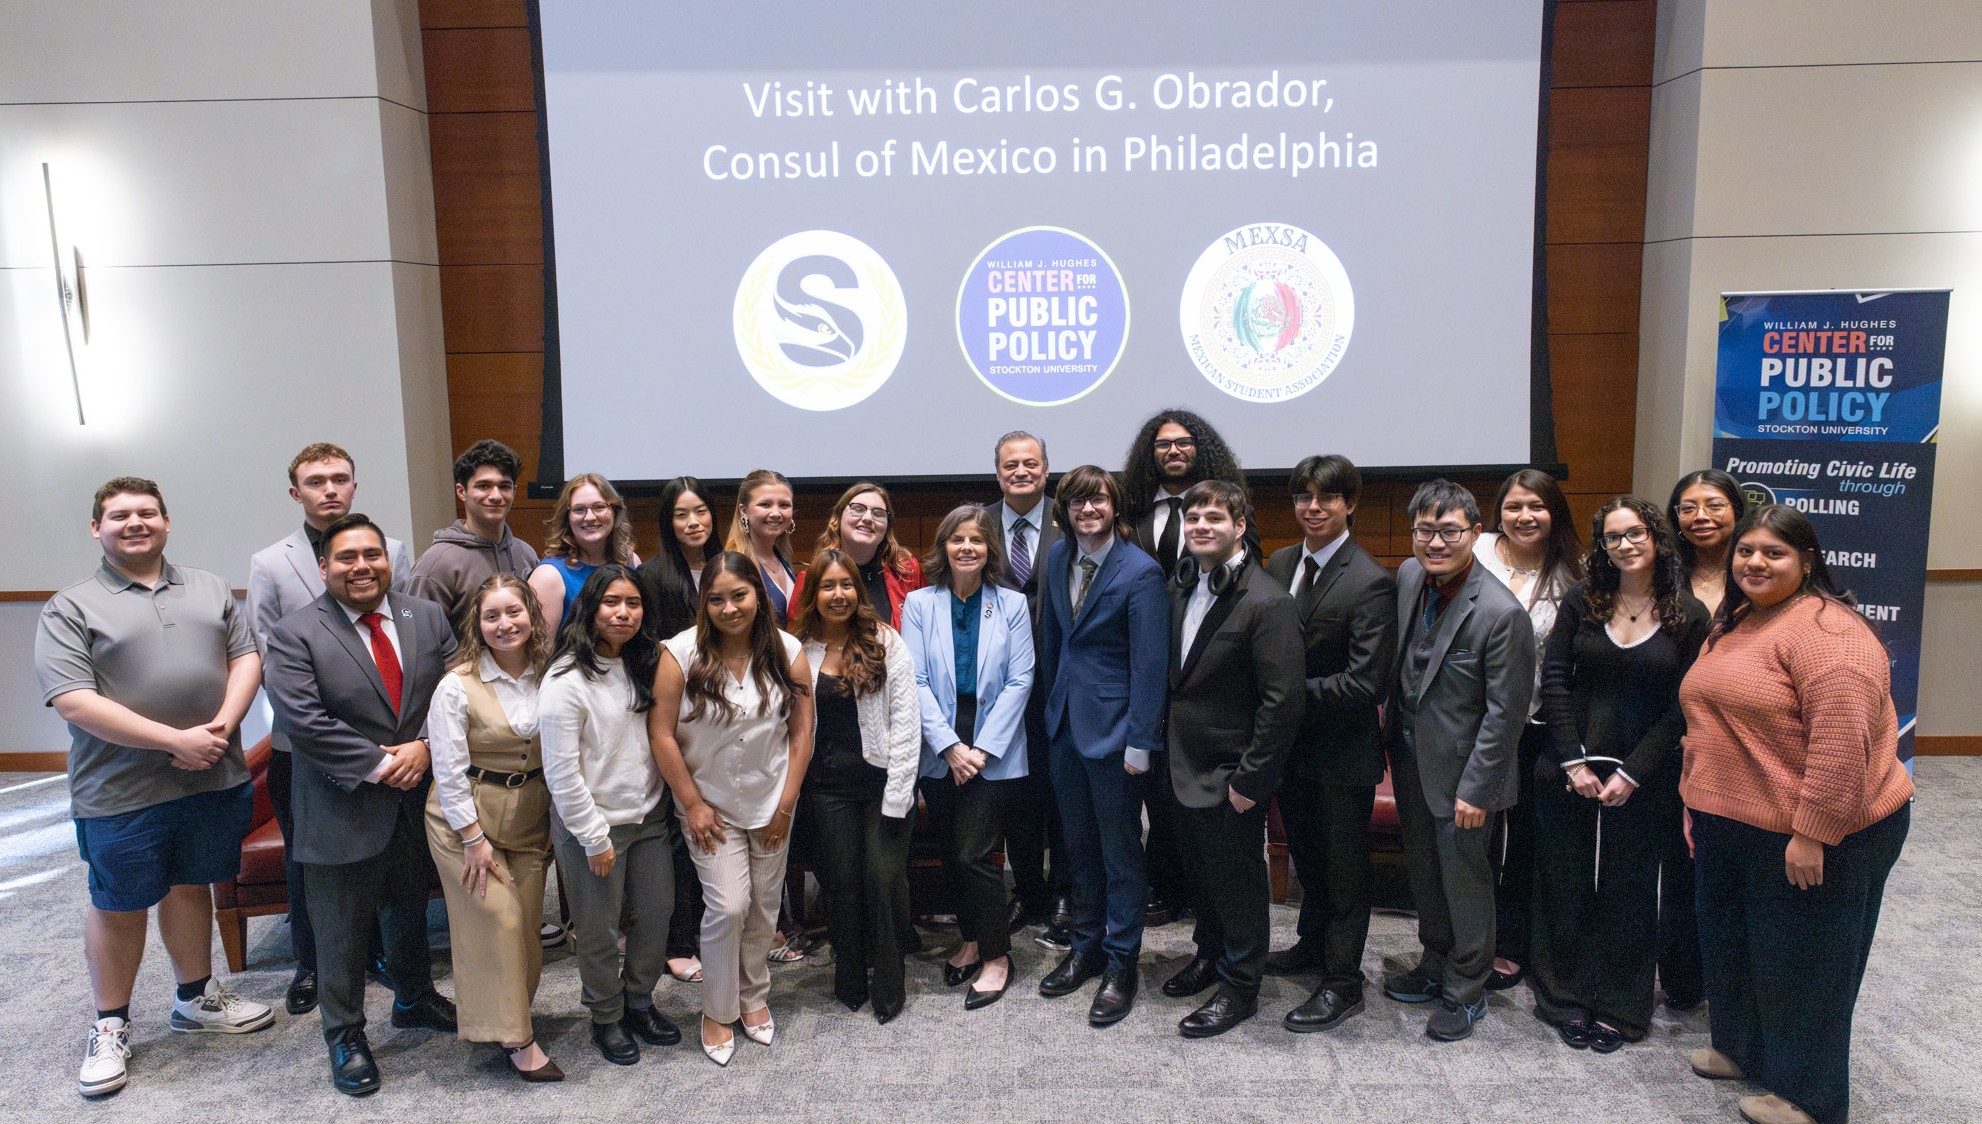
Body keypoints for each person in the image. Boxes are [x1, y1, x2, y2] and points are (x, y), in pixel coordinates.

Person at [37, 477, 275, 1099]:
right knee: (119, 901)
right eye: (119, 515)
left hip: (212, 774)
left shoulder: (208, 587)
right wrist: (175, 742)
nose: (134, 523)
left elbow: (245, 656)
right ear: (98, 528)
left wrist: (223, 725)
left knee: (190, 882)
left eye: (147, 513)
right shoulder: (71, 606)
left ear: (167, 522)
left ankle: (195, 996)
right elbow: (73, 700)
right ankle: (110, 1024)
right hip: (121, 789)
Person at [1679, 505, 1912, 1124]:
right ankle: (1745, 1050)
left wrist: (1813, 835)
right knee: (1735, 943)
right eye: (1746, 551)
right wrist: (1698, 802)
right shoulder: (1740, 619)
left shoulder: (1830, 637)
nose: (1755, 562)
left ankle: (1809, 1098)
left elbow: (1841, 749)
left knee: (1806, 962)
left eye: (1773, 553)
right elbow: (1710, 721)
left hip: (1818, 828)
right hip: (1733, 817)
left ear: (1807, 562)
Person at [262, 513, 460, 1096]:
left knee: (408, 904)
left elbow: (453, 690)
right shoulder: (296, 631)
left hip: (417, 797)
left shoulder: (425, 616)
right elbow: (303, 720)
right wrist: (382, 765)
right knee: (341, 929)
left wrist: (424, 748)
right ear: (324, 567)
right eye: (346, 557)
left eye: (372, 554)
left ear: (388, 560)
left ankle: (416, 998)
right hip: (340, 801)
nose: (361, 566)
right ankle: (345, 1035)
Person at [1530, 498, 1708, 1053]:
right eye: (1612, 537)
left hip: (1647, 770)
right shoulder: (1583, 601)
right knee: (1566, 880)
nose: (1624, 545)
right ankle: (1565, 996)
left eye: (1635, 534)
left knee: (1630, 889)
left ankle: (1619, 1005)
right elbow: (1554, 678)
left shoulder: (1688, 613)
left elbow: (1684, 702)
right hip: (1570, 763)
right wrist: (1572, 760)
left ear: (1657, 538)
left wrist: (1635, 771)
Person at [245, 442, 416, 1016]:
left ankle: (387, 962)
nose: (329, 489)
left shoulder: (390, 549)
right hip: (311, 744)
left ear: (355, 485)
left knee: (395, 858)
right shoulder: (271, 562)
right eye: (316, 481)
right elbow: (270, 654)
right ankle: (312, 965)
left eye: (340, 478)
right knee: (312, 862)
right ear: (297, 492)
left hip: (394, 739)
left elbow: (404, 642)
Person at [1382, 479, 1535, 1042]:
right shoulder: (1406, 577)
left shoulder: (1501, 613)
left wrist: (1478, 789)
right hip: (1411, 760)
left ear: (1475, 532)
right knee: (1425, 874)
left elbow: (1505, 714)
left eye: (1449, 531)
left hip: (1467, 778)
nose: (1436, 542)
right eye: (1426, 530)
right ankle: (1433, 962)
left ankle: (1467, 989)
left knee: (1466, 884)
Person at [648, 552, 814, 1066]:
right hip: (709, 807)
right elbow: (661, 732)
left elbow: (802, 730)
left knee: (764, 908)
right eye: (715, 599)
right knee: (729, 905)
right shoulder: (679, 654)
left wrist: (786, 804)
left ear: (758, 597)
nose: (728, 608)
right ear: (704, 603)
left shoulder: (788, 652)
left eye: (738, 595)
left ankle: (753, 997)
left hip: (771, 802)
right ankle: (718, 1009)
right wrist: (692, 804)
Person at [1158, 480, 1305, 1038]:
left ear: (1239, 526)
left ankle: (1241, 986)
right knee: (1202, 875)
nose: (1201, 525)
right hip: (1181, 763)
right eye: (1193, 517)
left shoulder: (1268, 601)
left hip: (1231, 774)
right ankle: (1209, 953)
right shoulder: (1181, 586)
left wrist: (1254, 779)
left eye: (1214, 517)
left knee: (1240, 884)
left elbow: (1281, 701)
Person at [1260, 455, 1398, 1034]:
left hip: (1342, 754)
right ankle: (1311, 947)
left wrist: (1284, 693)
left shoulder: (1370, 580)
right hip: (1291, 751)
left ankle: (1343, 982)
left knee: (1343, 873)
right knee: (1311, 862)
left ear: (1349, 504)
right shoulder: (1281, 562)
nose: (1312, 508)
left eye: (1326, 498)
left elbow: (1366, 681)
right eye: (1303, 497)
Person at [1032, 465, 1168, 1028]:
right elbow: (1052, 641)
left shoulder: (1141, 572)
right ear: (1064, 509)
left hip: (1117, 735)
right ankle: (1084, 947)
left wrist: (1142, 741)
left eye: (1098, 502)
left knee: (1119, 854)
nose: (1089, 511)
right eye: (1078, 502)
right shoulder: (1058, 557)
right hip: (1065, 725)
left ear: (1115, 508)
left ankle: (1121, 962)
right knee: (1077, 848)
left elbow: (1151, 666)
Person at [1119, 409, 1257, 927]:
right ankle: (1163, 883)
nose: (1172, 452)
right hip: (1142, 667)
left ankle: (1199, 903)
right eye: (1162, 445)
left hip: (1204, 676)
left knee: (1193, 799)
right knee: (1154, 789)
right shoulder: (1131, 512)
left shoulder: (1223, 508)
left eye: (1182, 443)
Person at [539, 565, 682, 1066]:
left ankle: (640, 1002)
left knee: (654, 917)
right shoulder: (564, 678)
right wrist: (593, 836)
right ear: (591, 608)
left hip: (647, 819)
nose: (623, 613)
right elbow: (560, 772)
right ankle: (606, 1016)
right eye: (612, 603)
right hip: (592, 827)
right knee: (598, 931)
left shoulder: (648, 662)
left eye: (634, 603)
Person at [422, 575, 563, 1080]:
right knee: (499, 922)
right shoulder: (456, 685)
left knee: (525, 928)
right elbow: (448, 769)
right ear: (477, 626)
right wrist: (473, 839)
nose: (505, 624)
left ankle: (507, 1019)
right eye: (491, 616)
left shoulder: (552, 674)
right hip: (464, 819)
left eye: (514, 612)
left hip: (529, 814)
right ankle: (520, 1042)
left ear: (532, 615)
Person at [902, 505, 1035, 1011]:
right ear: (943, 546)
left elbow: (1022, 678)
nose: (966, 548)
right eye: (957, 539)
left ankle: (998, 955)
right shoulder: (919, 603)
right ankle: (973, 939)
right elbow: (912, 680)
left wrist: (979, 749)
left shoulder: (1012, 604)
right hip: (940, 746)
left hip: (992, 749)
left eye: (976, 541)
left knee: (973, 854)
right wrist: (950, 746)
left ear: (989, 550)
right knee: (953, 851)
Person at [790, 548, 922, 1022]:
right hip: (824, 790)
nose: (839, 594)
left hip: (883, 784)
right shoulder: (796, 649)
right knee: (841, 884)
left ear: (858, 591)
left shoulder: (885, 642)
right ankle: (849, 978)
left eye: (847, 584)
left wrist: (899, 795)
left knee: (882, 881)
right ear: (814, 594)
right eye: (828, 586)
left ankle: (889, 984)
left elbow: (907, 723)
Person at [1472, 469, 1585, 991]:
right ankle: (1473, 938)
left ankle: (1514, 942)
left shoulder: (1573, 576)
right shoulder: (1475, 553)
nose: (1525, 516)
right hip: (1472, 720)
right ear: (1499, 512)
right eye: (1515, 506)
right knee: (1476, 837)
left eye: (1536, 506)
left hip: (1535, 723)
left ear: (1554, 512)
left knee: (1525, 842)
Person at [1658, 466, 1747, 1012]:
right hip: (1671, 739)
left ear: (1737, 510)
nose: (1701, 517)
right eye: (1688, 507)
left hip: (1739, 746)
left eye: (1713, 505)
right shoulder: (1662, 577)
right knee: (1678, 859)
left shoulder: (1757, 573)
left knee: (1731, 863)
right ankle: (1683, 977)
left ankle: (1734, 979)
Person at [985, 431, 1070, 944]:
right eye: (1011, 464)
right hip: (999, 687)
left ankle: (1063, 890)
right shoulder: (978, 525)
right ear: (998, 472)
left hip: (1062, 679)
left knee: (1061, 792)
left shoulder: (1073, 520)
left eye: (1031, 463)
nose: (1021, 471)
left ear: (1045, 469)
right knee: (1014, 792)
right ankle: (1029, 890)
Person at [635, 475, 719, 983]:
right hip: (679, 714)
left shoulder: (729, 568)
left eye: (701, 512)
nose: (694, 522)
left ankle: (719, 927)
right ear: (669, 522)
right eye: (682, 515)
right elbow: (645, 650)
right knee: (678, 826)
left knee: (719, 822)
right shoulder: (653, 574)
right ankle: (678, 937)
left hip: (729, 718)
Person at [406, 439, 538, 636]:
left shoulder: (525, 553)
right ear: (461, 491)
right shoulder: (436, 564)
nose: (495, 495)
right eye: (484, 486)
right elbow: (418, 640)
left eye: (504, 486)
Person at [790, 481, 925, 629]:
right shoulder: (812, 577)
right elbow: (797, 638)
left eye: (878, 513)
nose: (868, 518)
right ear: (838, 519)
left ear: (887, 527)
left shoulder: (908, 571)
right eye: (858, 509)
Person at [528, 473, 640, 639]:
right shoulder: (548, 576)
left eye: (599, 507)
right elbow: (540, 655)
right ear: (567, 518)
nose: (590, 517)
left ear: (615, 511)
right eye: (579, 509)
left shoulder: (630, 561)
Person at [723, 468, 799, 626]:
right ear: (744, 511)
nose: (776, 513)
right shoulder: (733, 567)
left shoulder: (783, 559)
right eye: (765, 504)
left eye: (784, 505)